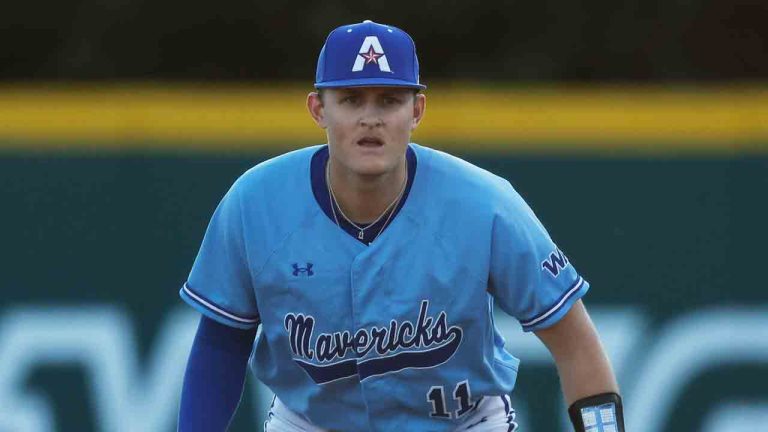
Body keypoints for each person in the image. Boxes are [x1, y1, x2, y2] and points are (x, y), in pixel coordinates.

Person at [177, 20, 625, 432]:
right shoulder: (255, 203)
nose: (370, 118)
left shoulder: (484, 205)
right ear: (318, 108)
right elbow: (221, 344)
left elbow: (575, 343)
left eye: (389, 100)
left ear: (417, 110)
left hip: (460, 424)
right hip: (312, 423)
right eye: (351, 99)